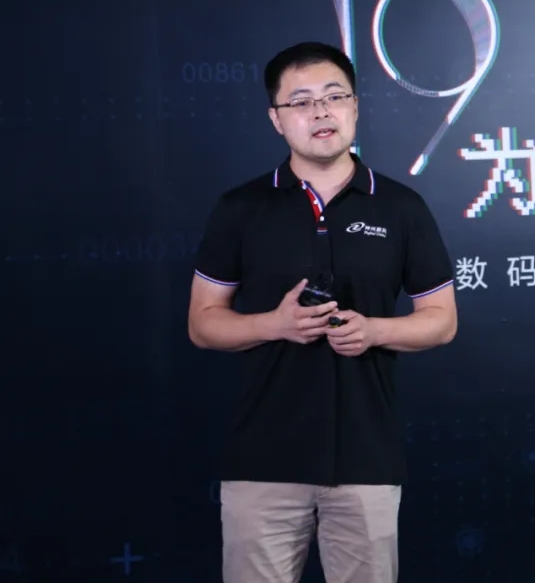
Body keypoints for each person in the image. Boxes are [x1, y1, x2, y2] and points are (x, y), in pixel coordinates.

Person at [187, 41, 457, 583]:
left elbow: (442, 319)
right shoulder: (241, 208)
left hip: (365, 459)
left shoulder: (401, 206)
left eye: (334, 96)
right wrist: (274, 324)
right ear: (276, 119)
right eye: (301, 101)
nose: (320, 112)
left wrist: (374, 330)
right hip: (262, 460)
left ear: (355, 107)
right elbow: (203, 322)